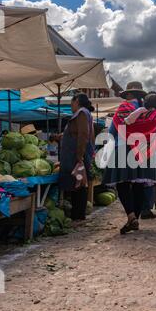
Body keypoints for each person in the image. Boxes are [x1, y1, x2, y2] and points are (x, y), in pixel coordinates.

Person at [103, 82, 156, 235]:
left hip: (124, 148)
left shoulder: (124, 108)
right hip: (143, 149)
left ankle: (131, 215)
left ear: (129, 95)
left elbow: (113, 131)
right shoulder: (149, 111)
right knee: (139, 184)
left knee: (122, 183)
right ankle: (134, 218)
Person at [59, 93, 95, 222]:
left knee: (78, 184)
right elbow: (77, 133)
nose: (70, 106)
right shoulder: (85, 113)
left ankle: (78, 215)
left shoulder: (81, 113)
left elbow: (83, 134)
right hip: (77, 155)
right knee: (78, 183)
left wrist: (79, 156)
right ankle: (78, 214)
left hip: (76, 156)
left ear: (77, 101)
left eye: (71, 103)